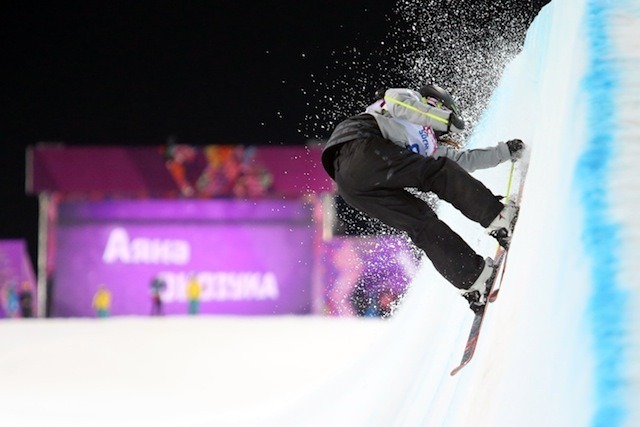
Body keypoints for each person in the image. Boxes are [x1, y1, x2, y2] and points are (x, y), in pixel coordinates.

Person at [321, 85, 525, 312]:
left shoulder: (428, 148)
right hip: (360, 145)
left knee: (421, 222)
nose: (438, 133)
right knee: (437, 173)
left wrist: (505, 151)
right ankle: (497, 217)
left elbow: (465, 161)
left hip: (351, 184)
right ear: (435, 103)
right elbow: (402, 105)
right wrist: (447, 119)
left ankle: (474, 280)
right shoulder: (408, 99)